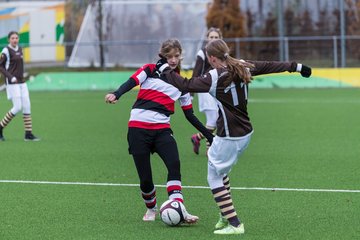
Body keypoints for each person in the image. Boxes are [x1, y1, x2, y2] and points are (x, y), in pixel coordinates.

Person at [156, 39, 312, 235]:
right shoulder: (242, 65)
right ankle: (224, 214)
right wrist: (297, 67)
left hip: (230, 135)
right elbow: (270, 65)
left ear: (212, 58)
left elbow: (186, 85)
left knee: (213, 177)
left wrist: (165, 70)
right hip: (244, 132)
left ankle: (235, 223)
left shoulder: (214, 76)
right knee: (220, 170)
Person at [104, 38, 213, 223]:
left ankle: (179, 208)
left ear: (180, 57)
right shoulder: (150, 69)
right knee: (145, 179)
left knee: (174, 165)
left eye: (176, 56)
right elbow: (131, 82)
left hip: (162, 130)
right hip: (138, 129)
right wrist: (117, 94)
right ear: (162, 56)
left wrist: (210, 135)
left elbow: (190, 115)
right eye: (169, 56)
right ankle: (151, 208)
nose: (172, 60)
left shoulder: (182, 84)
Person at [0, 31, 39, 141]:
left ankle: (28, 134)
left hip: (22, 82)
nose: (15, 40)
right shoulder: (6, 50)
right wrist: (10, 76)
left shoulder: (20, 49)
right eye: (12, 38)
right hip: (12, 83)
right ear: (9, 39)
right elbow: (1, 66)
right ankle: (0, 127)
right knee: (17, 107)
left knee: (27, 106)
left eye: (16, 38)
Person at [190, 27, 222, 155]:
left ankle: (197, 138)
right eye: (211, 37)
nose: (213, 39)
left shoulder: (222, 54)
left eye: (216, 37)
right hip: (204, 89)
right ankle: (209, 149)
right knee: (213, 119)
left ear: (220, 38)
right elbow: (195, 74)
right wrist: (191, 94)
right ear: (207, 38)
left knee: (216, 119)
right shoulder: (202, 53)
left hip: (216, 89)